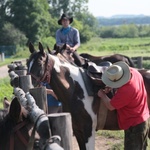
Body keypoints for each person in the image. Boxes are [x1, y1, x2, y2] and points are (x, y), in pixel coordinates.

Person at [97, 61, 150, 150]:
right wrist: (112, 85)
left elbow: (110, 106)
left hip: (134, 125)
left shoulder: (127, 90)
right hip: (142, 118)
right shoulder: (133, 72)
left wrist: (102, 95)